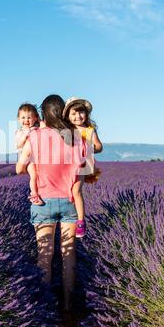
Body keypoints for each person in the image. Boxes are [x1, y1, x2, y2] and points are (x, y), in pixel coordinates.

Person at [16, 94, 85, 311]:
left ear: (42, 114)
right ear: (63, 112)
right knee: (68, 256)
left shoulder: (34, 137)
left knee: (44, 256)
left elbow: (19, 168)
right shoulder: (76, 136)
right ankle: (67, 306)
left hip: (42, 203)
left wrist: (32, 166)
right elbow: (84, 174)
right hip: (70, 202)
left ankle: (44, 308)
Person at [63, 97, 103, 238]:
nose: (77, 116)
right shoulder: (67, 130)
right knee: (68, 191)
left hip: (83, 164)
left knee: (76, 190)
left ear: (86, 114)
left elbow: (99, 146)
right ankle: (69, 215)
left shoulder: (89, 130)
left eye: (80, 113)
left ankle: (81, 221)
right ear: (67, 116)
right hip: (69, 165)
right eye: (73, 114)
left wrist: (89, 148)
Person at [15, 103, 44, 205]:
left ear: (35, 118)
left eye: (29, 117)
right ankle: (34, 195)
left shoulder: (36, 129)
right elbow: (18, 145)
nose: (26, 120)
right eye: (23, 117)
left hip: (36, 157)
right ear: (18, 119)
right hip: (27, 159)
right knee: (34, 175)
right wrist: (24, 136)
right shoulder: (19, 132)